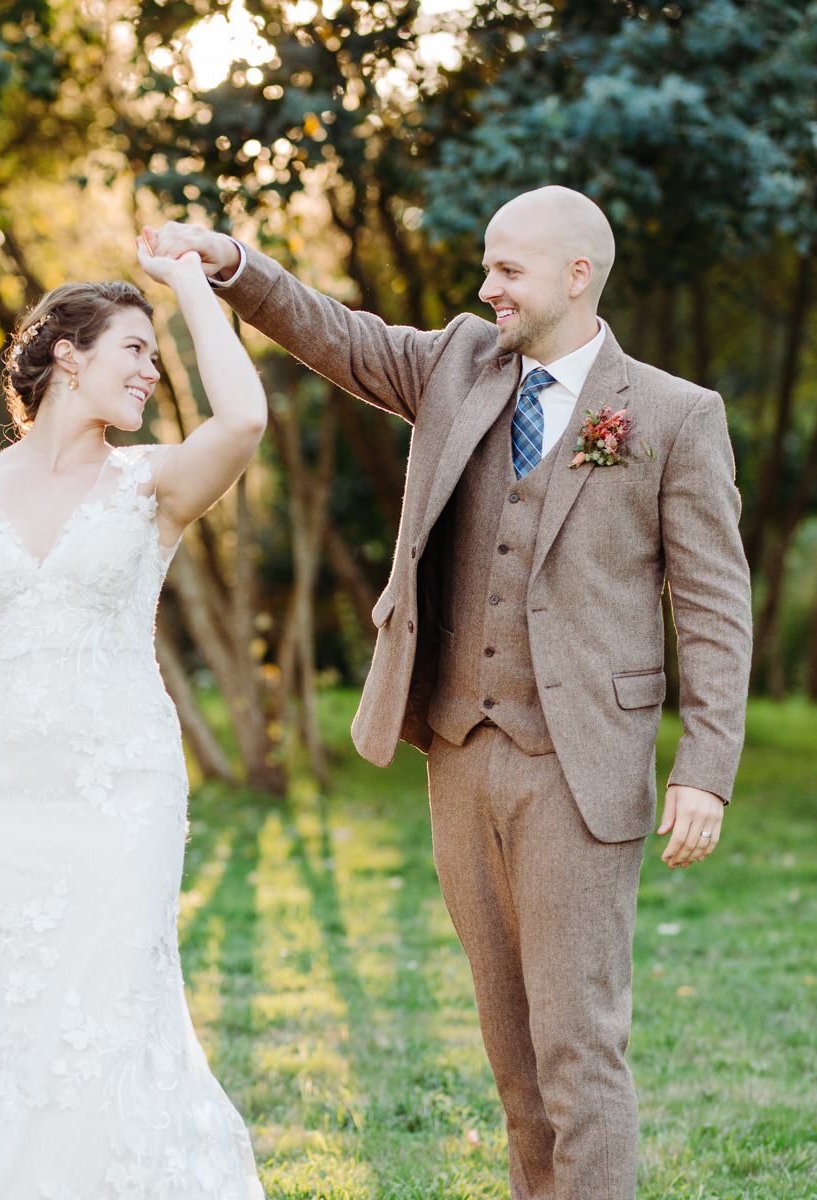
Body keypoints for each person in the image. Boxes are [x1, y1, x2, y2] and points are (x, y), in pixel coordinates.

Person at [149, 187, 752, 1200]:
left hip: (581, 769)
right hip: (461, 757)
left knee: (578, 1052)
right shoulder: (457, 364)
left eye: (508, 270)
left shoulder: (673, 416)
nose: (487, 287)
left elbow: (716, 606)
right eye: (488, 266)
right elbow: (334, 334)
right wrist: (230, 264)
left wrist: (707, 770)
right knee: (515, 1064)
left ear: (577, 275)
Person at [0, 236, 267, 1198]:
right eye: (134, 351)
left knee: (116, 1008)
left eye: (157, 358)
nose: (152, 375)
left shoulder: (151, 484)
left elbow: (242, 418)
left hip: (124, 792)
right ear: (67, 353)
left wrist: (194, 287)